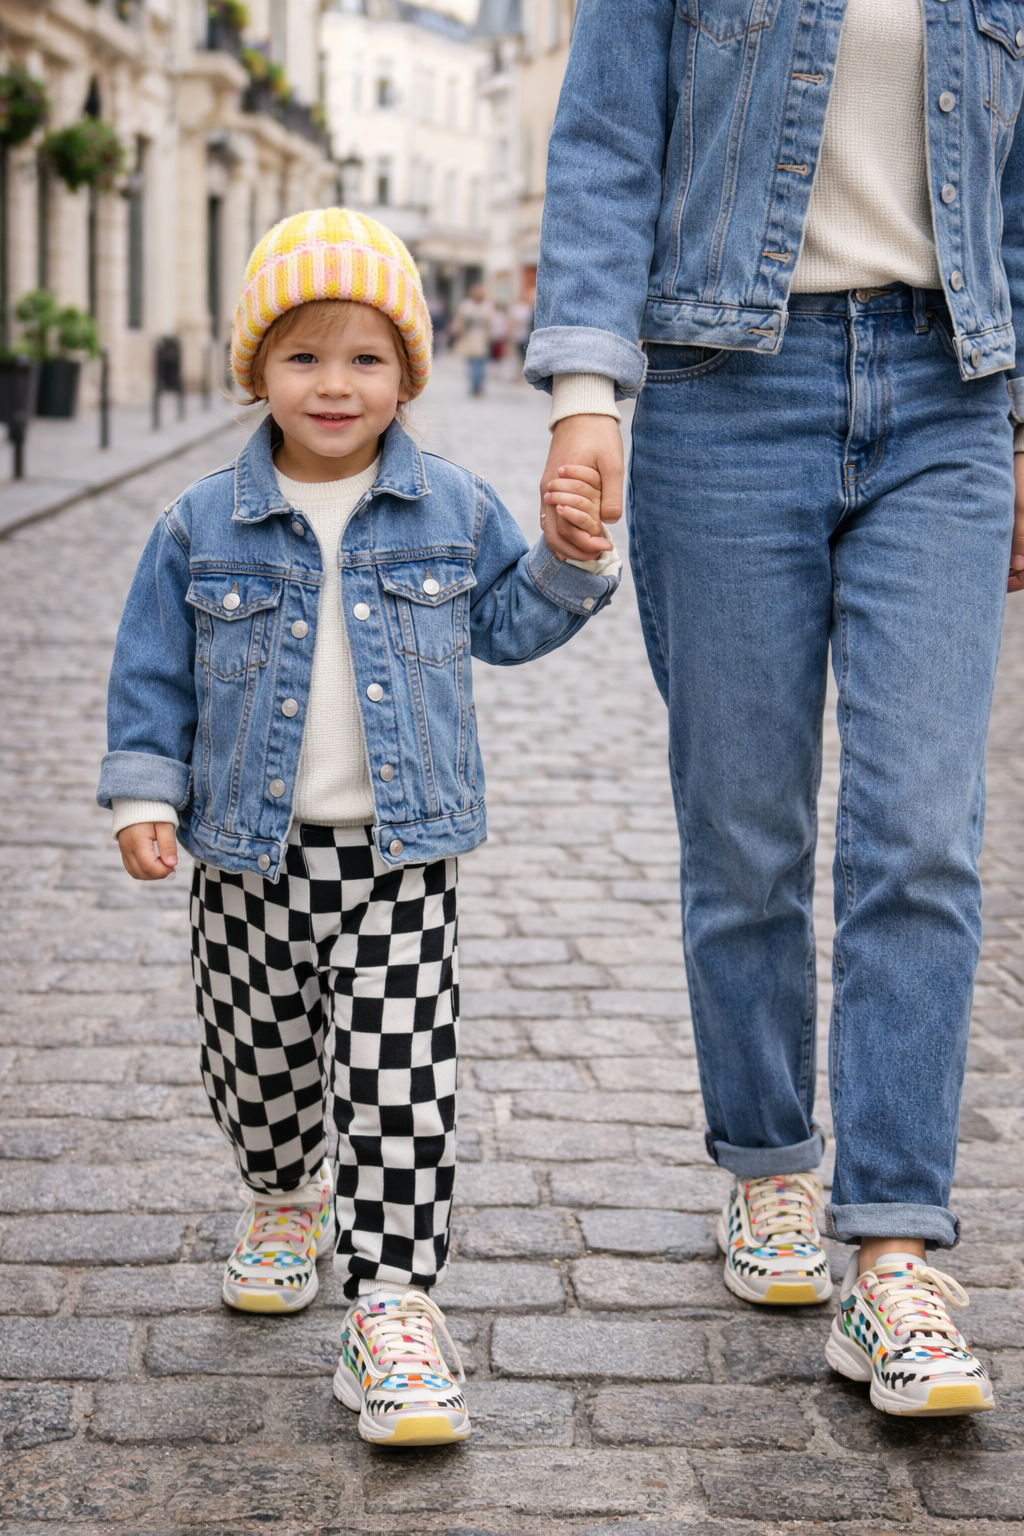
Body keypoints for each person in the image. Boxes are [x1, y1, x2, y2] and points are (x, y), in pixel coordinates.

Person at [528, 0, 1024, 1419]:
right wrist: (585, 395)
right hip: (719, 388)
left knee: (921, 828)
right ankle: (767, 1165)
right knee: (744, 831)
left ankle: (895, 1251)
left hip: (950, 394)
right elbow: (610, 141)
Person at [97, 207, 620, 1447]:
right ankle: (284, 1195)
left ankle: (392, 1305)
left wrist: (567, 560)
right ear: (256, 370)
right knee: (257, 1058)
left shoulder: (450, 504)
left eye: (367, 359)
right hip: (242, 859)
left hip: (400, 862)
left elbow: (508, 623)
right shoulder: (197, 524)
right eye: (303, 357)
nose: (335, 385)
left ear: (408, 374)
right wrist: (142, 792)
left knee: (401, 1085)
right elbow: (151, 673)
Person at [450, 281, 492, 395]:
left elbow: (490, 323)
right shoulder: (466, 305)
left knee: (481, 363)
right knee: (471, 362)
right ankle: (474, 386)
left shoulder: (486, 306)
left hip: (481, 336)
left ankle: (479, 385)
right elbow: (459, 319)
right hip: (469, 336)